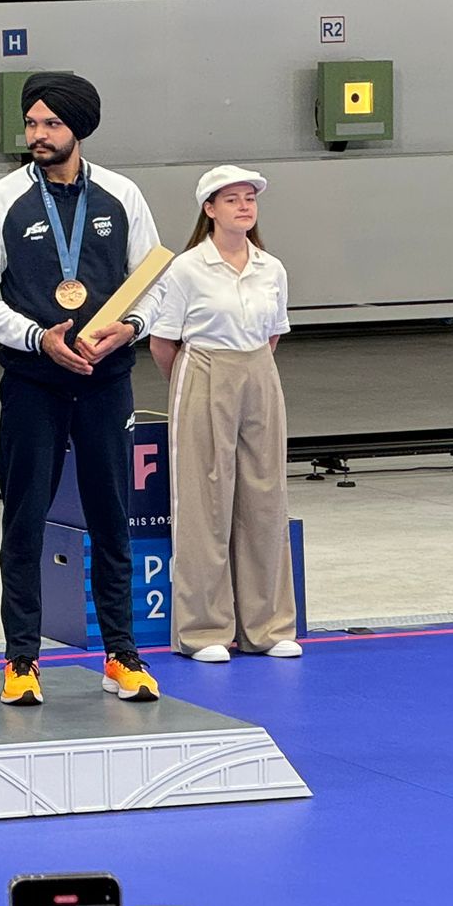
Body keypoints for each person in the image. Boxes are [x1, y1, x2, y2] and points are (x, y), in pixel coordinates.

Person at [0, 73, 165, 705]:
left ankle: (120, 655)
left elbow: (155, 281)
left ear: (78, 127)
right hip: (33, 383)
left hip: (106, 381)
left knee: (111, 518)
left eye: (49, 124)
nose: (37, 136)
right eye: (30, 124)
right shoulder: (1, 198)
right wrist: (35, 337)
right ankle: (21, 659)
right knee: (23, 520)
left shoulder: (122, 194)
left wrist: (129, 327)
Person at [147, 167, 301, 663]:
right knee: (204, 499)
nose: (243, 206)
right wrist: (194, 391)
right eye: (231, 199)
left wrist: (250, 371)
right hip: (204, 367)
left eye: (250, 198)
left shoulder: (270, 267)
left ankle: (269, 626)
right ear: (209, 209)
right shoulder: (188, 268)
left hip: (258, 368)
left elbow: (274, 333)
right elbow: (163, 341)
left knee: (265, 495)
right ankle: (205, 628)